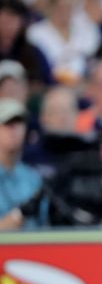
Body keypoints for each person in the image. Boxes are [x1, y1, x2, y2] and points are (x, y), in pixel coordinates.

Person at [0, 98, 45, 230]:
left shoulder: (33, 178)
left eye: (19, 123)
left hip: (31, 249)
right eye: (7, 124)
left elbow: (43, 226)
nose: (14, 130)